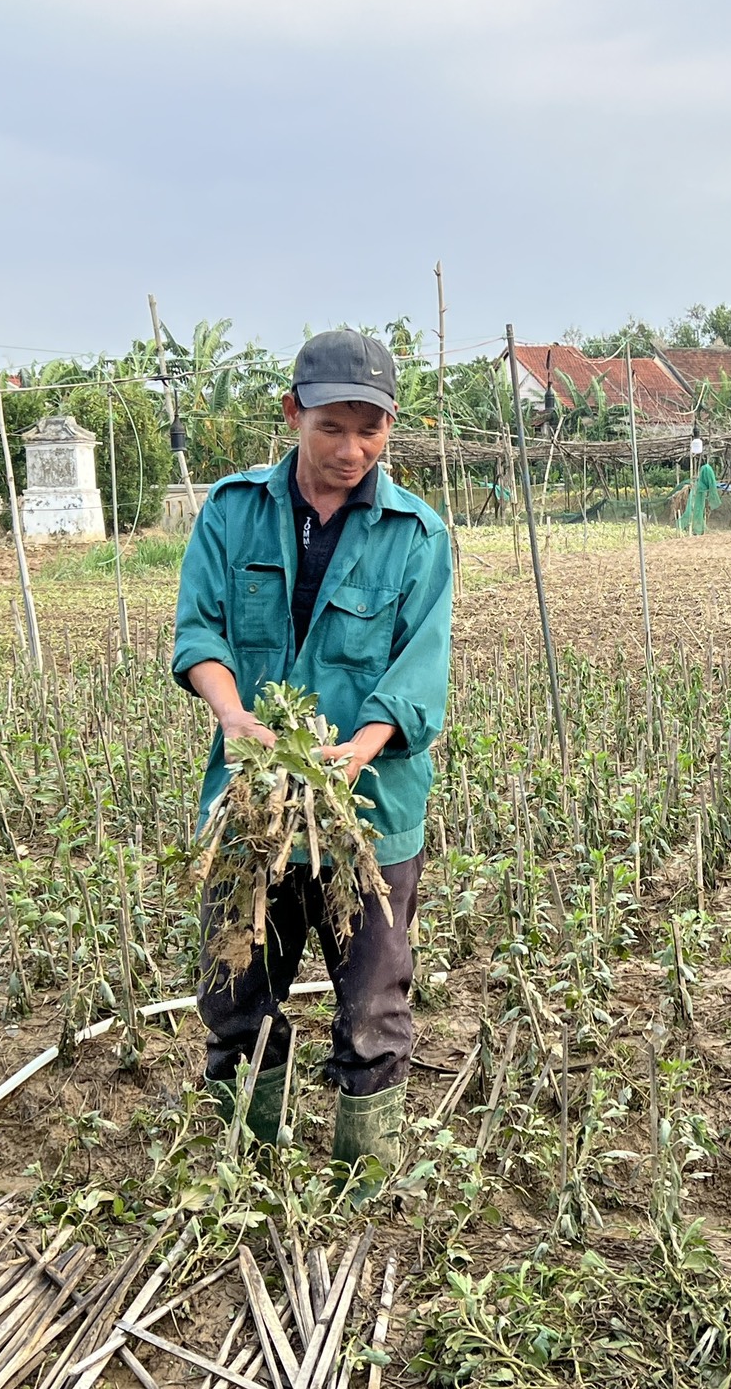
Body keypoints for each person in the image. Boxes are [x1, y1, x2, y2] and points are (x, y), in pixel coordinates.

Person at [171, 328, 453, 1182]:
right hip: (253, 807)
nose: (351, 449)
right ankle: (247, 1167)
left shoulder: (417, 534)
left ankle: (365, 1180)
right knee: (236, 997)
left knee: (371, 1006)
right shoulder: (231, 513)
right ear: (294, 414)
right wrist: (232, 717)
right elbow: (200, 632)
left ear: (390, 427)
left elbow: (419, 669)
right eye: (332, 427)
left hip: (369, 811)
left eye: (371, 430)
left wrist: (360, 749)